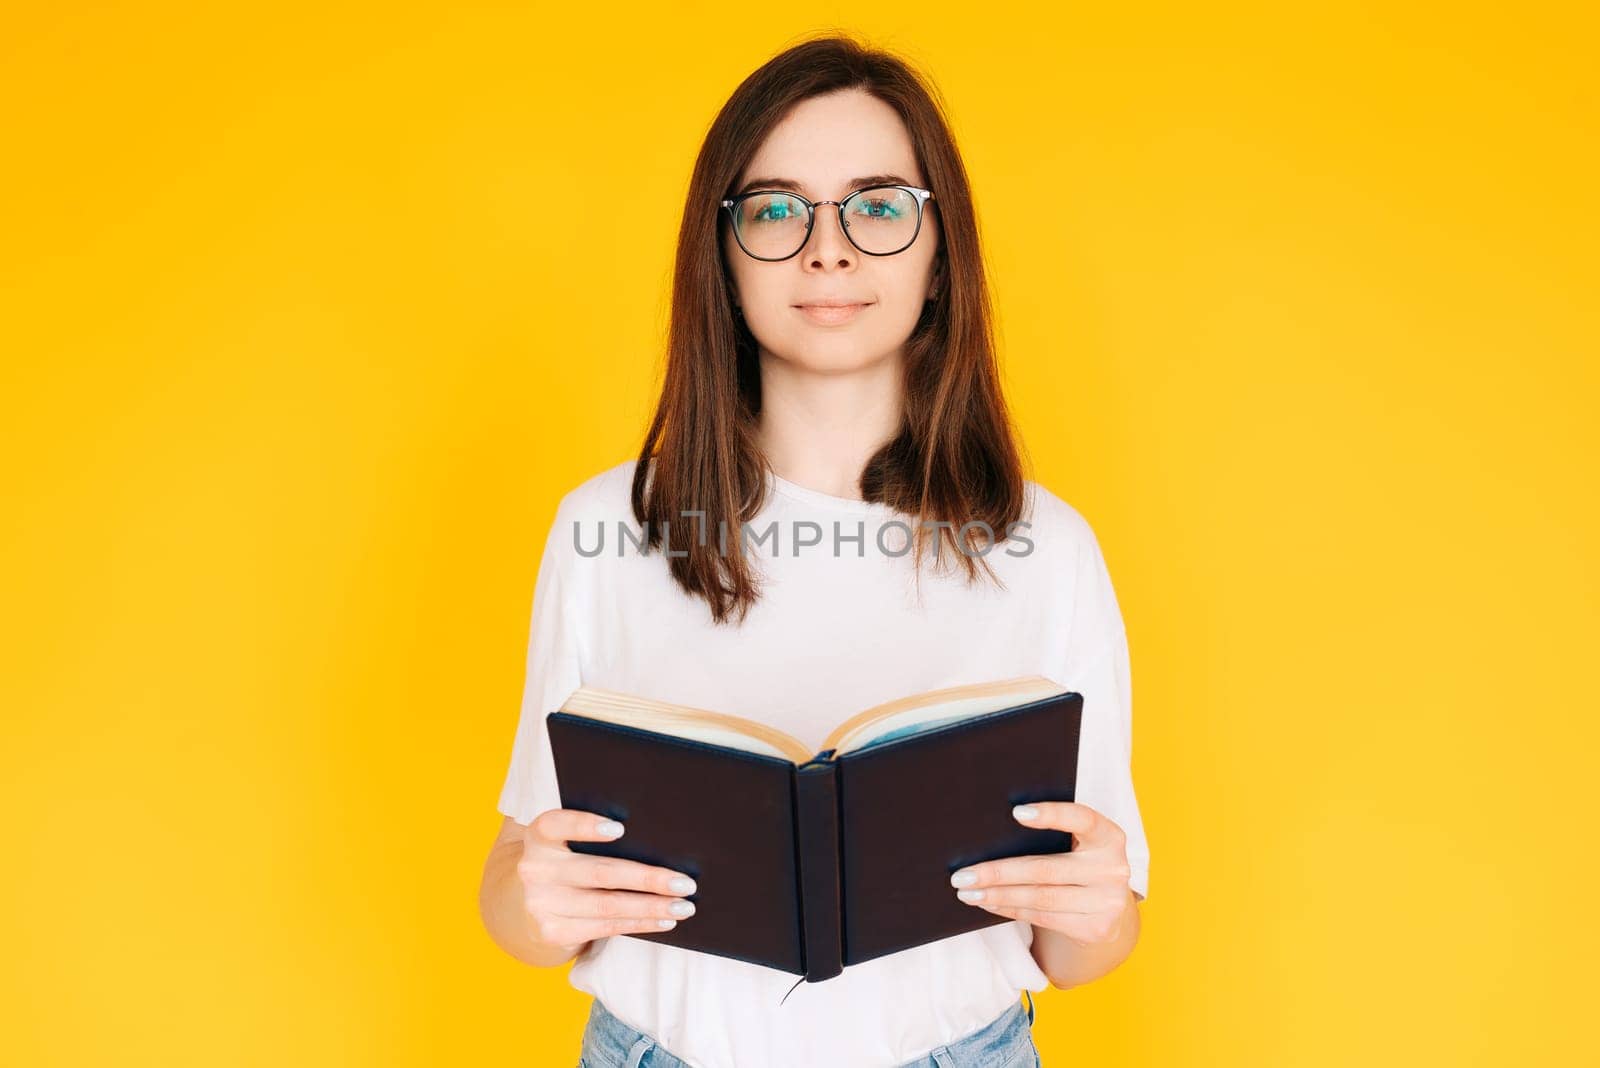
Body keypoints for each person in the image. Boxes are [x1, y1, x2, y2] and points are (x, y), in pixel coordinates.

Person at [478, 34, 1150, 1068]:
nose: (825, 250)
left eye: (878, 206)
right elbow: (518, 886)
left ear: (940, 257)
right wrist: (540, 899)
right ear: (724, 254)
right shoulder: (606, 528)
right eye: (777, 209)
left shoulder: (1042, 547)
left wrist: (1095, 898)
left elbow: (1078, 952)